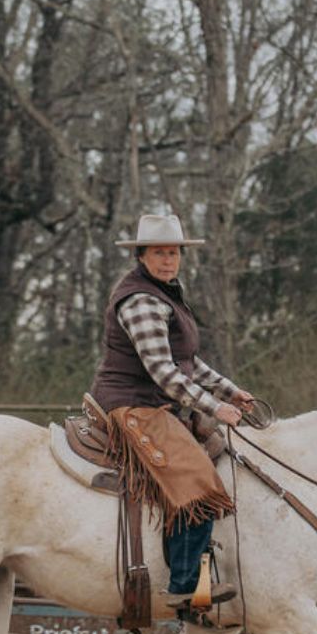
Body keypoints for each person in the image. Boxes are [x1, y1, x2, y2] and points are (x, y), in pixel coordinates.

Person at [89, 213, 255, 609]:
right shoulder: (141, 300)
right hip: (131, 402)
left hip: (154, 401)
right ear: (142, 256)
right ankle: (185, 583)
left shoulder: (167, 294)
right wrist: (215, 406)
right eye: (159, 253)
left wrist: (231, 393)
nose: (168, 260)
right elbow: (162, 371)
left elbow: (188, 362)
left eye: (174, 253)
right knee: (196, 482)